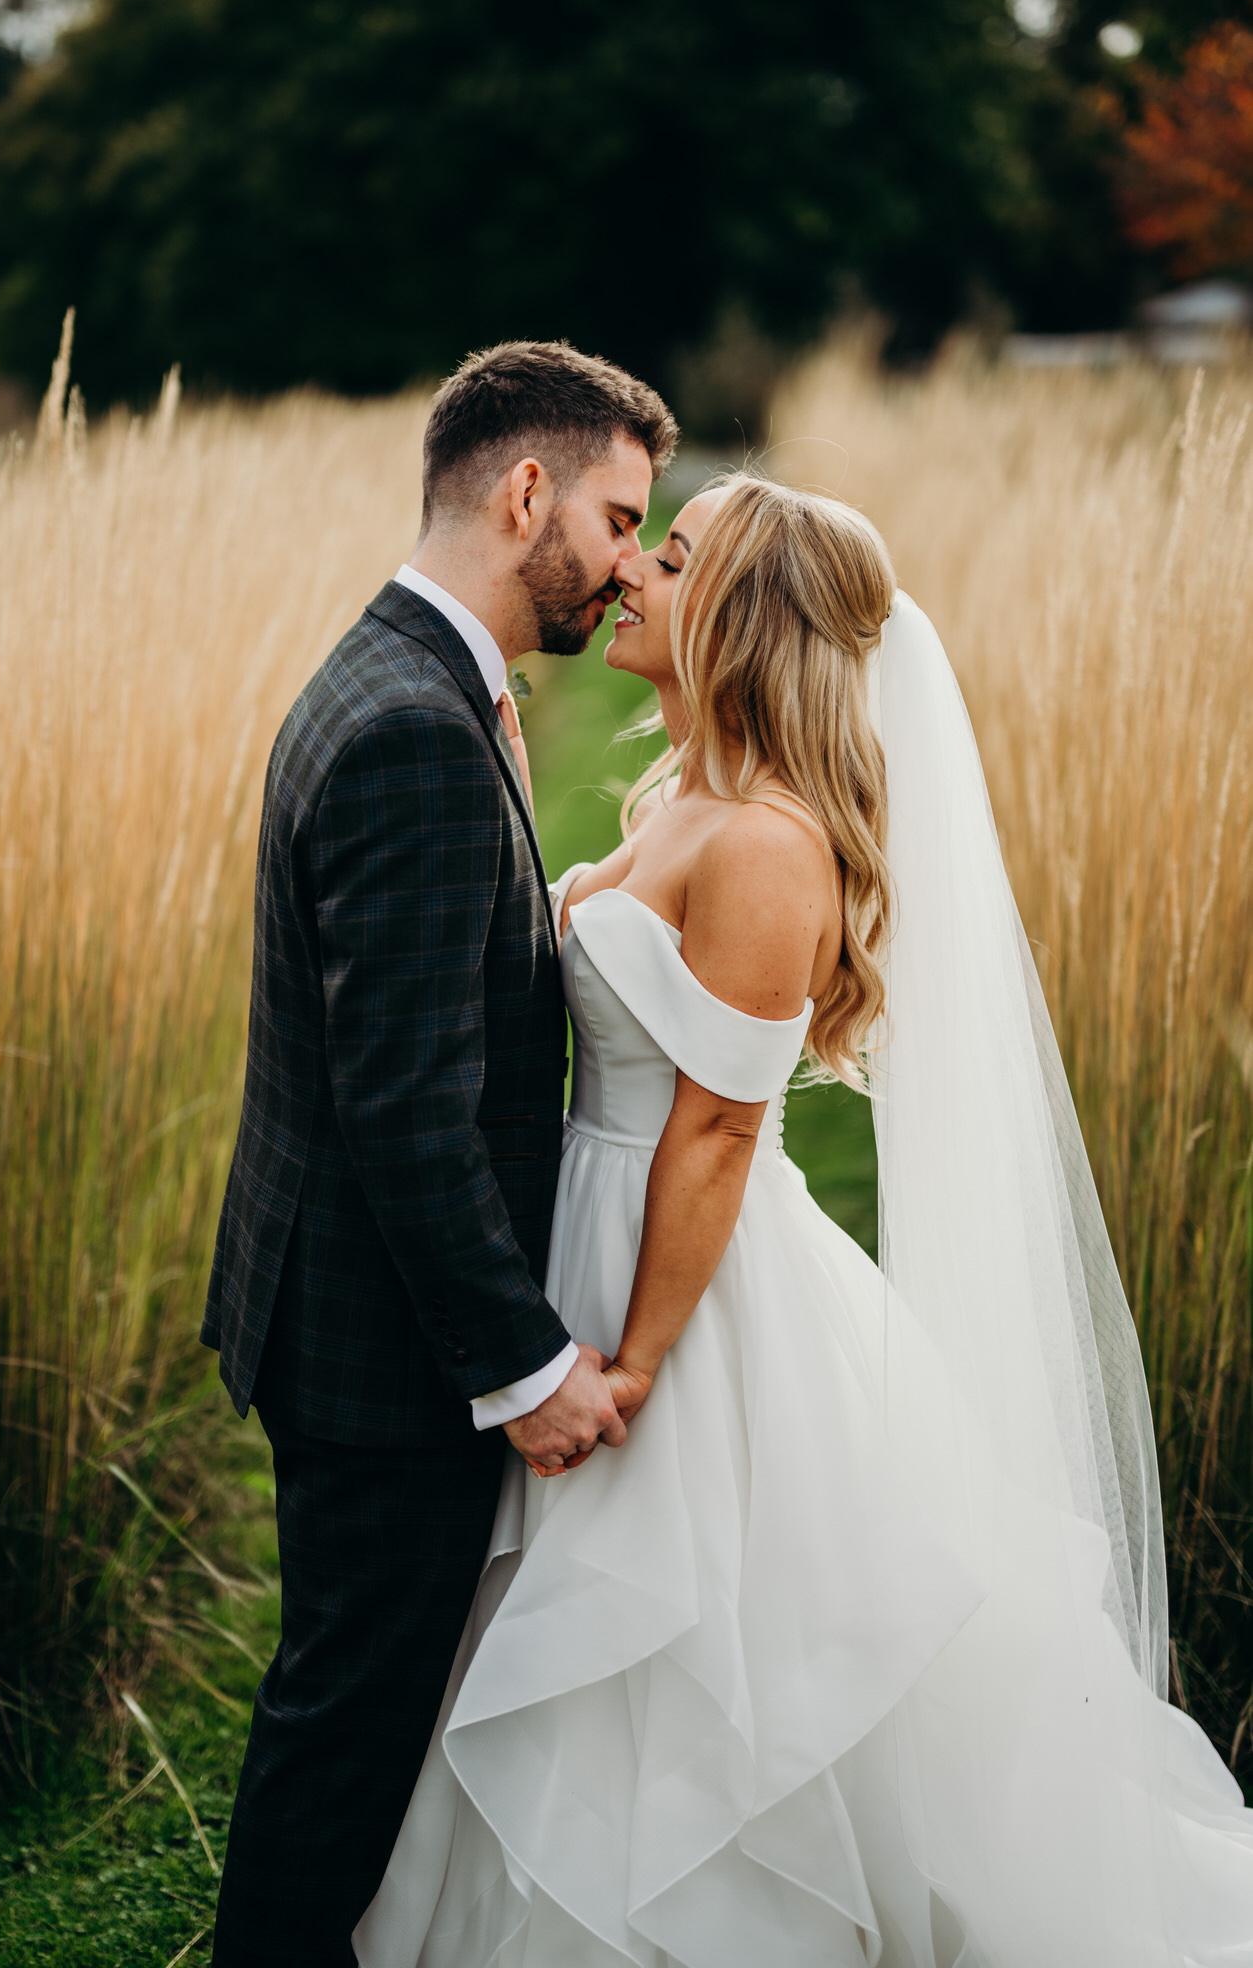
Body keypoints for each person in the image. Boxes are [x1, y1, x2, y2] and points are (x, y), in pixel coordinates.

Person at [355, 475, 1253, 1967]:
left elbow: (715, 1129)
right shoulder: (680, 798)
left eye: (676, 554)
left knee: (692, 1646)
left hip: (679, 1283)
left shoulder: (768, 846)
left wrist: (634, 1362)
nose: (633, 568)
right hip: (590, 1228)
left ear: (744, 615)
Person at [201, 340, 678, 1967]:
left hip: (342, 1307)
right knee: (345, 1736)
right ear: (524, 488)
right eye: (619, 518)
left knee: (352, 1711)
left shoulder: (398, 670)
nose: (625, 565)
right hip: (381, 1350)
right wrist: (524, 1362)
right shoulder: (413, 723)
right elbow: (402, 1104)